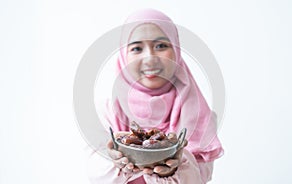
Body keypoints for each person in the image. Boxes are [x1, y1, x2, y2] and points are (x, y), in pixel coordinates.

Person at [88, 9, 224, 184]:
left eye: (161, 46)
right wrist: (114, 160)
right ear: (123, 55)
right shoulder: (105, 112)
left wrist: (177, 166)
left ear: (176, 50)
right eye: (137, 48)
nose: (150, 58)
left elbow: (201, 178)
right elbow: (95, 176)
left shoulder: (200, 114)